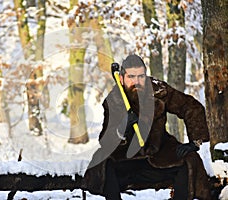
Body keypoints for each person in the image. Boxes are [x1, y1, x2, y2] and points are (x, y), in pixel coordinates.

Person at [82, 54, 212, 200]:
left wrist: (195, 141)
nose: (137, 81)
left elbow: (189, 106)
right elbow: (105, 141)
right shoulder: (114, 101)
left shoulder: (158, 90)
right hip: (126, 160)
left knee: (189, 159)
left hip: (159, 154)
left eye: (141, 76)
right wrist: (121, 130)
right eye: (131, 77)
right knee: (103, 163)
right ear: (121, 78)